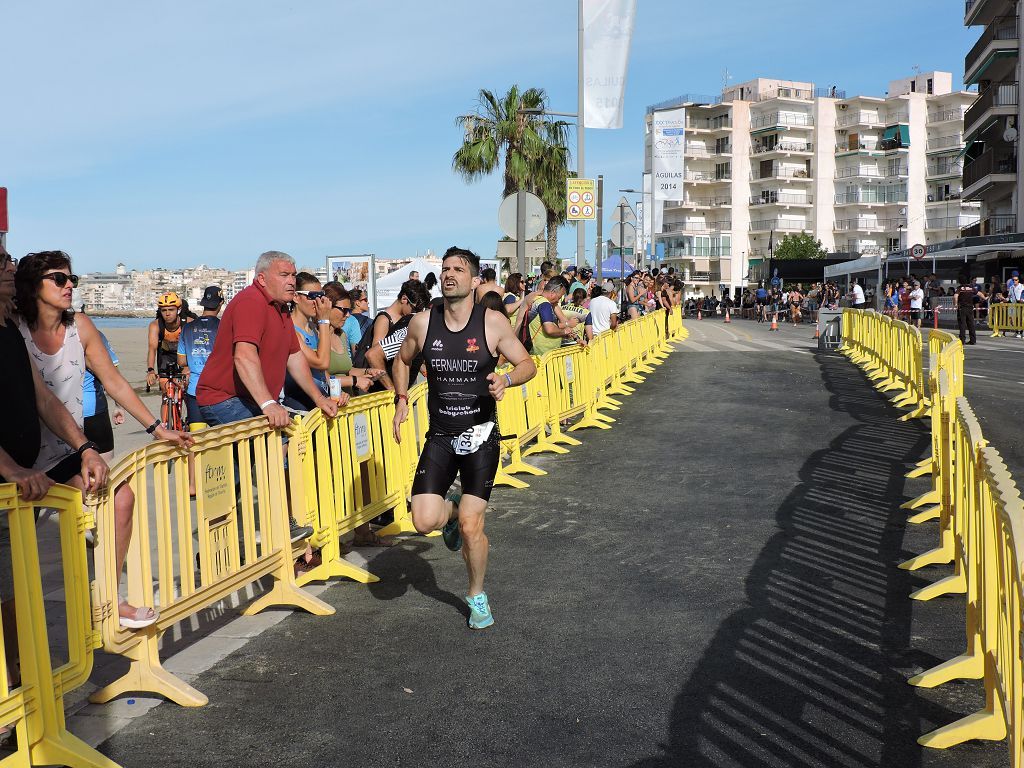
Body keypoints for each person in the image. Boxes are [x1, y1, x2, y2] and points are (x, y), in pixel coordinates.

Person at [16, 251, 193, 629]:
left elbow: (112, 379)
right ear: (33, 287)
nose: (69, 286)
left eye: (72, 280)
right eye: (59, 279)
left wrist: (155, 427)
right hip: (21, 452)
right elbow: (41, 399)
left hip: (66, 446)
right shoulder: (14, 328)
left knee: (120, 498)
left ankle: (110, 598)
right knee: (16, 556)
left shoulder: (80, 325)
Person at [391, 247, 537, 630]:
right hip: (440, 436)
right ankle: (451, 510)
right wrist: (402, 398)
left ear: (474, 280)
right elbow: (402, 360)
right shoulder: (423, 323)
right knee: (422, 522)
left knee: (473, 526)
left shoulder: (492, 323)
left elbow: (527, 364)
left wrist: (505, 379)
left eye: (458, 269)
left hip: (481, 437)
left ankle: (476, 593)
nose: (449, 274)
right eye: (445, 268)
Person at [197, 251, 339, 428]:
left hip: (252, 398)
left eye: (293, 275)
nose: (291, 281)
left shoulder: (281, 308)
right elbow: (244, 356)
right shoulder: (251, 301)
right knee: (271, 445)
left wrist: (319, 398)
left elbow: (294, 357)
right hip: (224, 398)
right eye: (284, 275)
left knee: (286, 442)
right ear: (262, 279)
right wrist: (268, 404)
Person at [359, 280, 427, 391]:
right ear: (404, 299)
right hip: (382, 390)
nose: (417, 314)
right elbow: (374, 356)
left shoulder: (404, 319)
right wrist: (392, 388)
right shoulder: (384, 319)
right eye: (415, 309)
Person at [282, 273, 334, 411]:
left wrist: (336, 392)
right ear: (296, 297)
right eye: (312, 296)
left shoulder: (313, 328)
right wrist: (324, 320)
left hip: (320, 401)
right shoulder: (290, 330)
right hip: (300, 404)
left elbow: (323, 373)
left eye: (321, 296)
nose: (318, 302)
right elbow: (321, 362)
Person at [177, 285, 224, 425]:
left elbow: (181, 360)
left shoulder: (187, 328)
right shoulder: (223, 327)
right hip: (218, 390)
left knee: (197, 437)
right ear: (221, 303)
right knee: (220, 438)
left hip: (194, 391)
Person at [527, 276, 582, 355]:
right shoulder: (544, 304)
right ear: (552, 292)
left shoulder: (540, 300)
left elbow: (563, 321)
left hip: (545, 353)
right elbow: (550, 329)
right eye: (559, 297)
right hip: (542, 355)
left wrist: (577, 339)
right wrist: (564, 332)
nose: (558, 300)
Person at [146, 292, 185, 392]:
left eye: (171, 310)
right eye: (164, 310)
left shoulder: (188, 323)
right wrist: (150, 370)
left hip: (184, 356)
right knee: (165, 389)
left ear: (178, 310)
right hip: (165, 355)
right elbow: (152, 349)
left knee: (186, 390)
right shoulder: (156, 325)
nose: (167, 314)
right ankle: (167, 405)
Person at [344, 287, 373, 355]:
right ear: (357, 303)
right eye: (365, 300)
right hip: (360, 359)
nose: (368, 302)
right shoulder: (370, 322)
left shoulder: (343, 320)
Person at [954, 274, 979, 346]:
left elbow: (955, 296)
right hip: (970, 308)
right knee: (971, 324)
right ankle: (973, 340)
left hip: (962, 308)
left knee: (962, 324)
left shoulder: (959, 288)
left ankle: (962, 340)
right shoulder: (971, 288)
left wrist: (955, 304)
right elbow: (979, 293)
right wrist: (985, 298)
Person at [1006, 270, 1024, 338]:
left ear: (1018, 280)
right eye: (1013, 280)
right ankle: (1017, 331)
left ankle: (1020, 332)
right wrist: (1004, 300)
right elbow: (1009, 296)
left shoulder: (1022, 286)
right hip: (1013, 304)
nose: (1014, 281)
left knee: (1020, 318)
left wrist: (1022, 299)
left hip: (1020, 304)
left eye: (1016, 280)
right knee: (1013, 319)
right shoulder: (1011, 287)